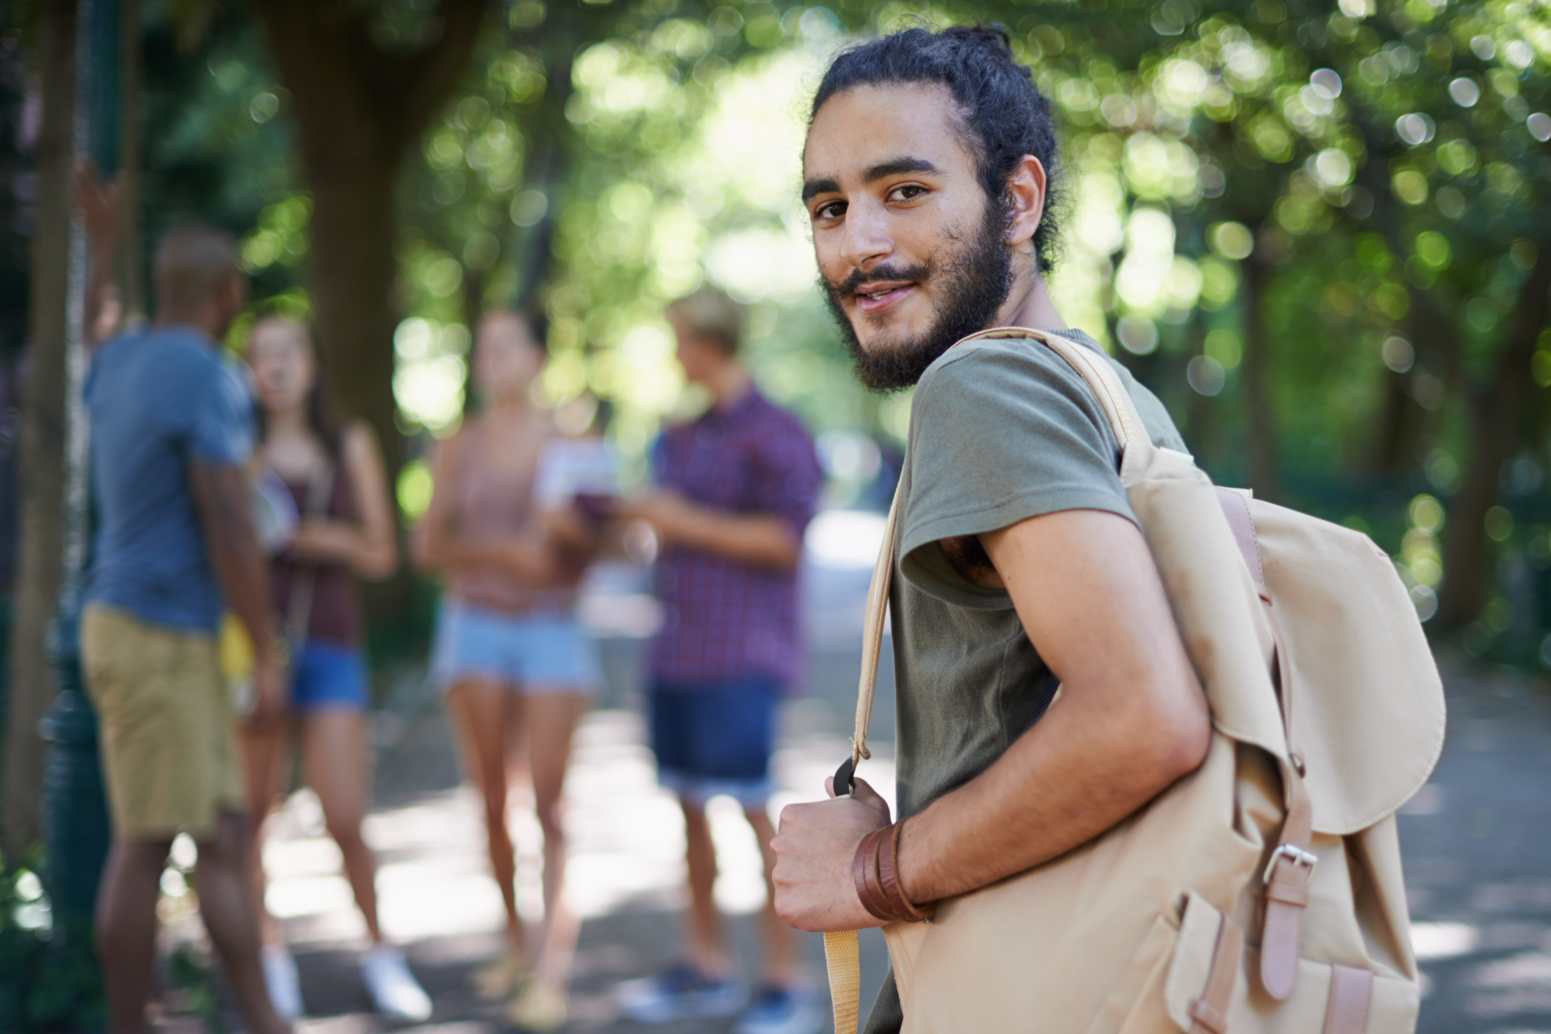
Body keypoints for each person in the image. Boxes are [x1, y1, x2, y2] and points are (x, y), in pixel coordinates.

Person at [769, 26, 1212, 1033]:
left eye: (905, 191)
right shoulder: (1106, 387)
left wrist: (871, 868)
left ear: (1018, 200)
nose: (860, 241)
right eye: (829, 207)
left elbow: (1144, 714)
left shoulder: (989, 382)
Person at [80, 221, 292, 1034]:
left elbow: (91, 335)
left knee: (222, 833)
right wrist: (265, 651)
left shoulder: (122, 360)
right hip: (157, 634)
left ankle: (263, 1020)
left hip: (152, 630)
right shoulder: (207, 375)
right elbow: (229, 523)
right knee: (146, 844)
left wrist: (102, 249)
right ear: (228, 293)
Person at [612, 286, 825, 1034]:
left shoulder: (776, 433)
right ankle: (702, 965)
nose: (674, 354)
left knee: (753, 821)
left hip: (742, 654)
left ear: (709, 342)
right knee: (689, 815)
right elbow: (659, 535)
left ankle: (781, 980)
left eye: (680, 339)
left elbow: (783, 540)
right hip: (677, 650)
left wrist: (682, 520)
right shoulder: (678, 436)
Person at [239, 315, 431, 1022]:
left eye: (287, 349)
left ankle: (382, 953)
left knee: (346, 815)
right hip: (255, 653)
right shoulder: (235, 447)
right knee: (254, 818)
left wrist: (318, 538)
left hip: (329, 646)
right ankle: (268, 961)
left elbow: (383, 552)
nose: (275, 364)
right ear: (249, 369)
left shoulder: (347, 442)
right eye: (261, 354)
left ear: (312, 362)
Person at [411, 309, 598, 1031]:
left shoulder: (573, 441)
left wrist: (566, 538)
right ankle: (513, 946)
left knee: (549, 806)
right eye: (480, 346)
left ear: (537, 357)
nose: (489, 358)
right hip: (477, 628)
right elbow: (427, 549)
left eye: (503, 346)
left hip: (552, 628)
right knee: (492, 798)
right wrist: (501, 554)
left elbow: (604, 546)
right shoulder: (457, 445)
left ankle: (547, 970)